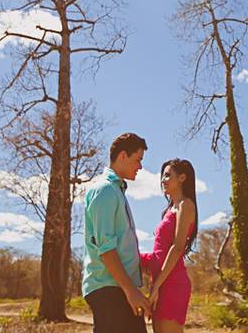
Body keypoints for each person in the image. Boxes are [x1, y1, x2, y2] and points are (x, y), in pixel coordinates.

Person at [82, 132, 152, 333]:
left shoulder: (116, 191)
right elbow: (106, 249)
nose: (140, 166)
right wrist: (130, 291)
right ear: (123, 156)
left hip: (119, 288)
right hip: (109, 289)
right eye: (137, 159)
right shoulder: (104, 190)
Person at [140, 159, 197, 333]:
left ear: (182, 177)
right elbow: (160, 252)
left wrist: (157, 286)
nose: (163, 180)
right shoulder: (169, 210)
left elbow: (177, 248)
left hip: (172, 283)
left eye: (167, 175)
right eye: (162, 176)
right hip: (160, 282)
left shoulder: (185, 205)